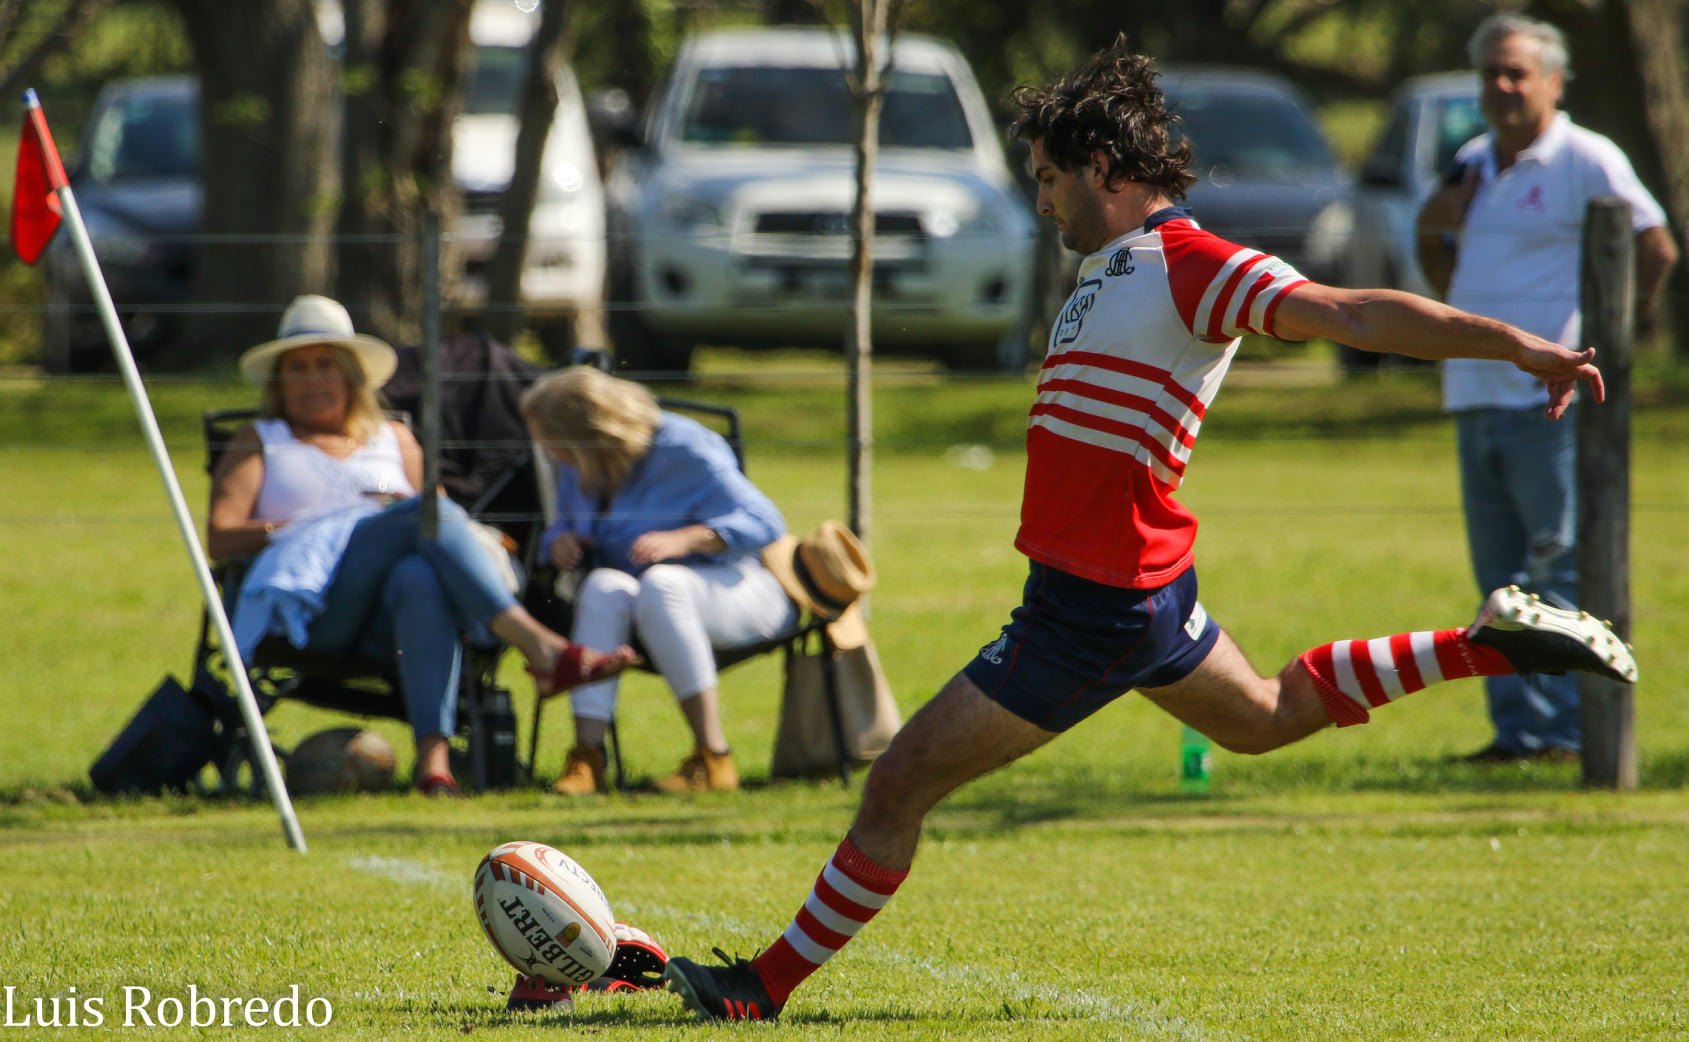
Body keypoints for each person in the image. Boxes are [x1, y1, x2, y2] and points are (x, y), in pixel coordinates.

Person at [659, 35, 1640, 1021]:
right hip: (1140, 589)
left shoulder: (1190, 263)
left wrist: (1511, 345)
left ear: (1104, 169)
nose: (1041, 201)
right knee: (1265, 716)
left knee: (897, 784)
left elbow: (1349, 313)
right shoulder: (1110, 266)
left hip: (1094, 605)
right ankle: (1489, 646)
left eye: (1049, 179)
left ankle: (757, 990)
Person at [208, 295, 635, 797]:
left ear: (352, 376)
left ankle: (434, 766)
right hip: (314, 610)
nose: (312, 379)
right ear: (279, 381)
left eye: (326, 365)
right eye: (297, 368)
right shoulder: (261, 439)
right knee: (421, 513)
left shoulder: (394, 438)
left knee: (421, 574)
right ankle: (540, 646)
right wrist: (311, 527)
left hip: (390, 616)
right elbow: (219, 536)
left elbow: (439, 523)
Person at [1415, 13, 1677, 763]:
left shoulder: (1587, 157)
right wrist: (1434, 231)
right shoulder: (1469, 162)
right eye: (1489, 73)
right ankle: (1517, 734)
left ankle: (1564, 732)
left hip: (1546, 404)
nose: (1501, 86)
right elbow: (1436, 255)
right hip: (1473, 392)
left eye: (1516, 73)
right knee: (1498, 580)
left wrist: (1612, 341)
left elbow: (1654, 245)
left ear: (1554, 82)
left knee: (1554, 565)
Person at [519, 367, 799, 794]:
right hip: (646, 603)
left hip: (738, 590)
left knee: (663, 582)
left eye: (552, 441)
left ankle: (714, 756)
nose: (548, 452)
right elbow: (564, 525)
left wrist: (687, 538)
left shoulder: (686, 446)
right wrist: (559, 541)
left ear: (591, 433)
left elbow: (766, 522)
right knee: (602, 585)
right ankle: (587, 758)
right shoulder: (582, 464)